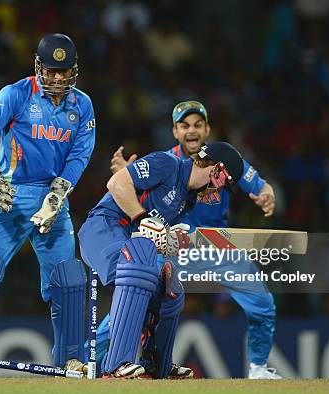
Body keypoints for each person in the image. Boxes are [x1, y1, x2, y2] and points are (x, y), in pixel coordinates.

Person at [0, 33, 96, 377]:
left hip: (52, 199)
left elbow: (81, 153)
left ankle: (71, 359)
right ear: (39, 66)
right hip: (8, 196)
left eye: (64, 71)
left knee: (68, 279)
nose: (57, 78)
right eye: (52, 70)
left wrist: (59, 193)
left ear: (74, 70)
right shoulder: (15, 94)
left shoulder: (82, 105)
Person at [105, 100, 281, 379]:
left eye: (198, 125)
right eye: (184, 125)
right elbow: (129, 188)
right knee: (133, 299)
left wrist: (266, 194)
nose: (192, 131)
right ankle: (95, 358)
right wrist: (124, 172)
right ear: (175, 131)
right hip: (174, 247)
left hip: (218, 248)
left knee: (263, 304)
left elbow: (260, 184)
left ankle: (258, 369)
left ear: (207, 129)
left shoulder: (225, 161)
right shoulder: (166, 162)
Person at [78, 141, 245, 378]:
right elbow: (116, 183)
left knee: (169, 288)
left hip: (130, 243)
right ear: (215, 168)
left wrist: (169, 241)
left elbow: (153, 236)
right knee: (139, 269)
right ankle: (117, 364)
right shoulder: (167, 164)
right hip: (103, 227)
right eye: (223, 182)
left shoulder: (188, 200)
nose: (218, 191)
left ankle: (156, 365)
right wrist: (142, 217)